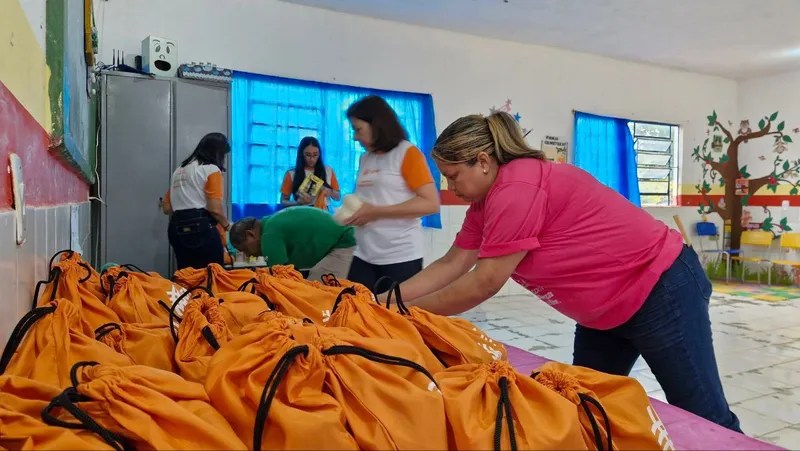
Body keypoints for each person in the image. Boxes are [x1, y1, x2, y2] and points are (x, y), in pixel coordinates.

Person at [383, 111, 742, 433]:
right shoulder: (484, 203)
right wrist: (385, 300)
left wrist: (404, 313)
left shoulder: (517, 187)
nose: (450, 188)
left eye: (453, 176)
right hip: (604, 310)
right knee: (584, 406)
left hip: (659, 289)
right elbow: (452, 263)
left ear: (483, 162)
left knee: (704, 417)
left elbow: (484, 282)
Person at [343, 95, 440, 289]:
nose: (355, 137)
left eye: (358, 129)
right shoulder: (365, 159)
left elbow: (430, 203)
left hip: (400, 257)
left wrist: (376, 212)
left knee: (392, 309)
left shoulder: (407, 153)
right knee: (353, 305)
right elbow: (367, 200)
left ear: (376, 125)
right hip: (364, 254)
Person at [161, 133, 232, 270]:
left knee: (187, 275)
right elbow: (214, 209)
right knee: (213, 273)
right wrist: (227, 226)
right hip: (201, 227)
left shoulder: (179, 170)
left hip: (176, 227)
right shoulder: (211, 169)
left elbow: (167, 208)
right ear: (218, 153)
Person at [229, 206, 355, 281]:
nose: (248, 255)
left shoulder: (268, 236)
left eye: (245, 249)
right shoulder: (270, 224)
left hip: (344, 242)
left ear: (251, 234)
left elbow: (281, 278)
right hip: (343, 236)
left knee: (318, 290)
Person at [280, 136, 341, 211]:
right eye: (308, 155)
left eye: (315, 154)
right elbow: (283, 202)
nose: (312, 159)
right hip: (301, 212)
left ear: (319, 154)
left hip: (323, 213)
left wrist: (328, 191)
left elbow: (338, 197)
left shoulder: (328, 170)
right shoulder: (291, 173)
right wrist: (298, 202)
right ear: (301, 154)